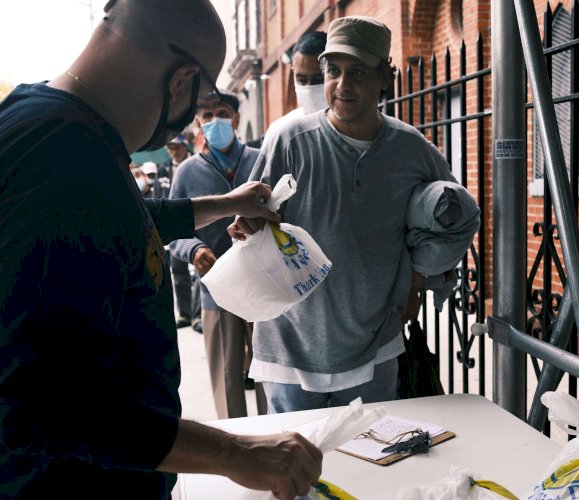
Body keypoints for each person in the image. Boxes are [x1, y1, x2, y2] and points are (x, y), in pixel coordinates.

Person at [0, 1, 322, 498]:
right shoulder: (61, 154)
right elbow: (44, 400)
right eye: (196, 107)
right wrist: (236, 453)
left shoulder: (59, 128)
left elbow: (116, 223)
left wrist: (222, 204)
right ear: (181, 81)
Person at [229, 16, 464, 414]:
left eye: (357, 72)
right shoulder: (289, 140)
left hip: (375, 346)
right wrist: (249, 228)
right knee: (296, 471)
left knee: (370, 465)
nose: (341, 85)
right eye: (333, 71)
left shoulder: (412, 150)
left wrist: (419, 278)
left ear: (384, 78)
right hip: (291, 346)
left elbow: (452, 219)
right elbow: (252, 220)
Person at [169, 89, 262, 419]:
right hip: (216, 290)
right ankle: (237, 443)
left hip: (264, 285)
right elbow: (171, 233)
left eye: (222, 113)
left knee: (269, 375)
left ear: (236, 119)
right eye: (207, 116)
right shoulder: (187, 172)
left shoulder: (260, 159)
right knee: (226, 379)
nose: (214, 121)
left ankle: (277, 436)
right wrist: (194, 249)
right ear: (198, 123)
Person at [161, 134, 203, 332]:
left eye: (175, 147)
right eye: (170, 148)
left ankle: (197, 316)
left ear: (184, 147)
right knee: (178, 271)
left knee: (198, 271)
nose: (172, 151)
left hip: (193, 224)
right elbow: (156, 197)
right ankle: (185, 313)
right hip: (171, 228)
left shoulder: (194, 166)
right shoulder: (164, 169)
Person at [262, 30, 327, 143]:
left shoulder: (358, 128)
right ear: (293, 72)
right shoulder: (281, 133)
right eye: (302, 80)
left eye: (319, 79)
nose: (309, 88)